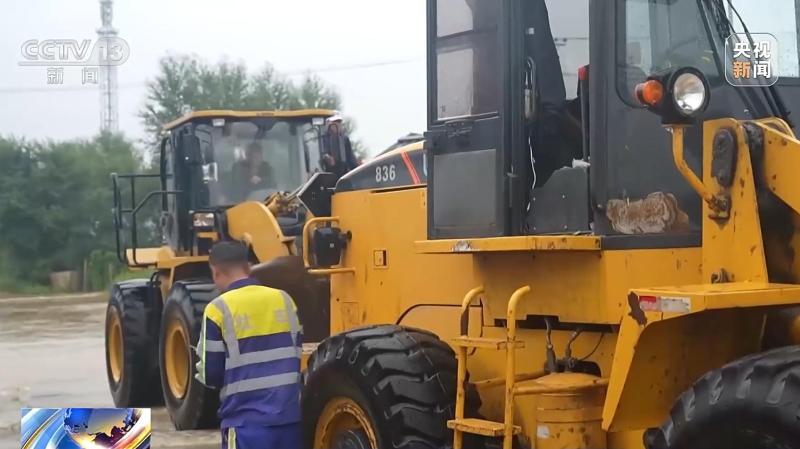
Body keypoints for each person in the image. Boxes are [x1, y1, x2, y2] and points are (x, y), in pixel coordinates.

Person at [195, 241, 302, 449]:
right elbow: (296, 351)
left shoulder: (218, 309)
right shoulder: (284, 300)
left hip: (246, 424)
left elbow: (211, 374)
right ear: (249, 266)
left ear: (216, 272)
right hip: (290, 422)